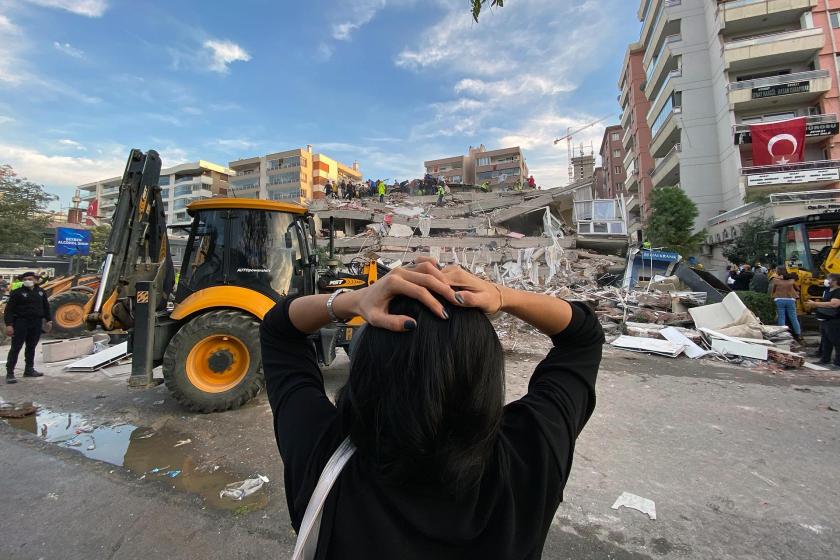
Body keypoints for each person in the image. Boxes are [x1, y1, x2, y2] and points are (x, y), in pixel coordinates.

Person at [260, 259, 602, 559]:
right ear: (484, 368)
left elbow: (279, 330)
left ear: (367, 366)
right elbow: (583, 336)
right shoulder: (531, 455)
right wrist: (501, 295)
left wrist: (354, 301)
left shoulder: (321, 456)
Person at [5, 271, 53, 384]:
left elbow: (46, 306)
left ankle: (29, 370)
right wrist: (9, 325)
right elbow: (9, 310)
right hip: (21, 323)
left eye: (30, 279)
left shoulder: (41, 292)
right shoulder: (17, 293)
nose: (28, 281)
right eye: (25, 279)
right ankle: (10, 373)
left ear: (36, 280)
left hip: (36, 323)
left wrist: (49, 320)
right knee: (16, 348)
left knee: (31, 347)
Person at [806, 274, 840, 366]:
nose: (827, 280)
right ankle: (825, 359)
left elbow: (834, 304)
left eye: (829, 279)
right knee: (826, 341)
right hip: (825, 319)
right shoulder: (828, 290)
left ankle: (838, 362)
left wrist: (816, 304)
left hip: (834, 320)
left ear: (835, 281)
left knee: (836, 341)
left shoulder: (838, 291)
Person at [769, 267, 801, 341]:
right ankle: (798, 334)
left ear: (778, 272)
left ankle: (782, 334)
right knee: (793, 318)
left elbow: (773, 290)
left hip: (779, 299)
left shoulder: (775, 280)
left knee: (781, 317)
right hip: (790, 299)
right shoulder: (791, 280)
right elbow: (797, 289)